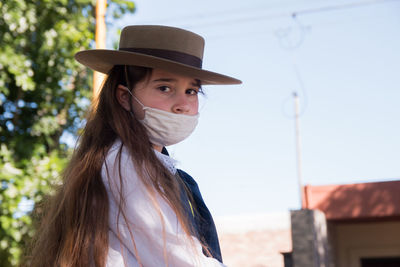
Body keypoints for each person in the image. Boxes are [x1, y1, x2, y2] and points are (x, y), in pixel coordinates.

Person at [28, 25, 241, 267]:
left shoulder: (158, 170)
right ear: (124, 97)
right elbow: (180, 259)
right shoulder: (125, 163)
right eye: (164, 88)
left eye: (191, 91)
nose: (182, 104)